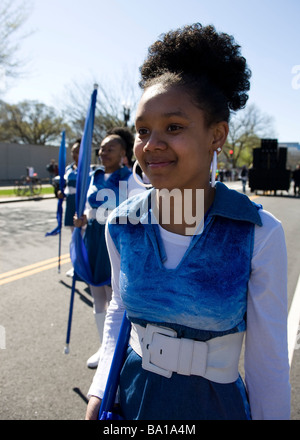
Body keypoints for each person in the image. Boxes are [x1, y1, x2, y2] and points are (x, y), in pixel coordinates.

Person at [86, 24, 290, 420]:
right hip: (132, 401)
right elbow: (119, 311)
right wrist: (98, 394)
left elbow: (269, 362)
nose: (151, 145)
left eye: (173, 128)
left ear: (217, 135)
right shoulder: (121, 224)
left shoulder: (259, 233)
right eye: (143, 130)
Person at [74, 128, 145, 368]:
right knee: (97, 296)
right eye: (102, 148)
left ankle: (121, 349)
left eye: (110, 148)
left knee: (116, 297)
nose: (103, 152)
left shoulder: (131, 178)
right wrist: (82, 218)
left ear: (123, 152)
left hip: (117, 242)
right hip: (93, 239)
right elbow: (87, 206)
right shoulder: (94, 176)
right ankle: (104, 348)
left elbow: (142, 212)